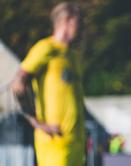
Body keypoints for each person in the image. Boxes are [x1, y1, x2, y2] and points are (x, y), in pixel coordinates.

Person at [11, 2, 85, 166]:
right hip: (54, 142)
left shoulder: (72, 55)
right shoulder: (46, 48)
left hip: (75, 144)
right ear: (68, 21)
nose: (82, 29)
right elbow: (18, 84)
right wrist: (36, 121)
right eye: (80, 23)